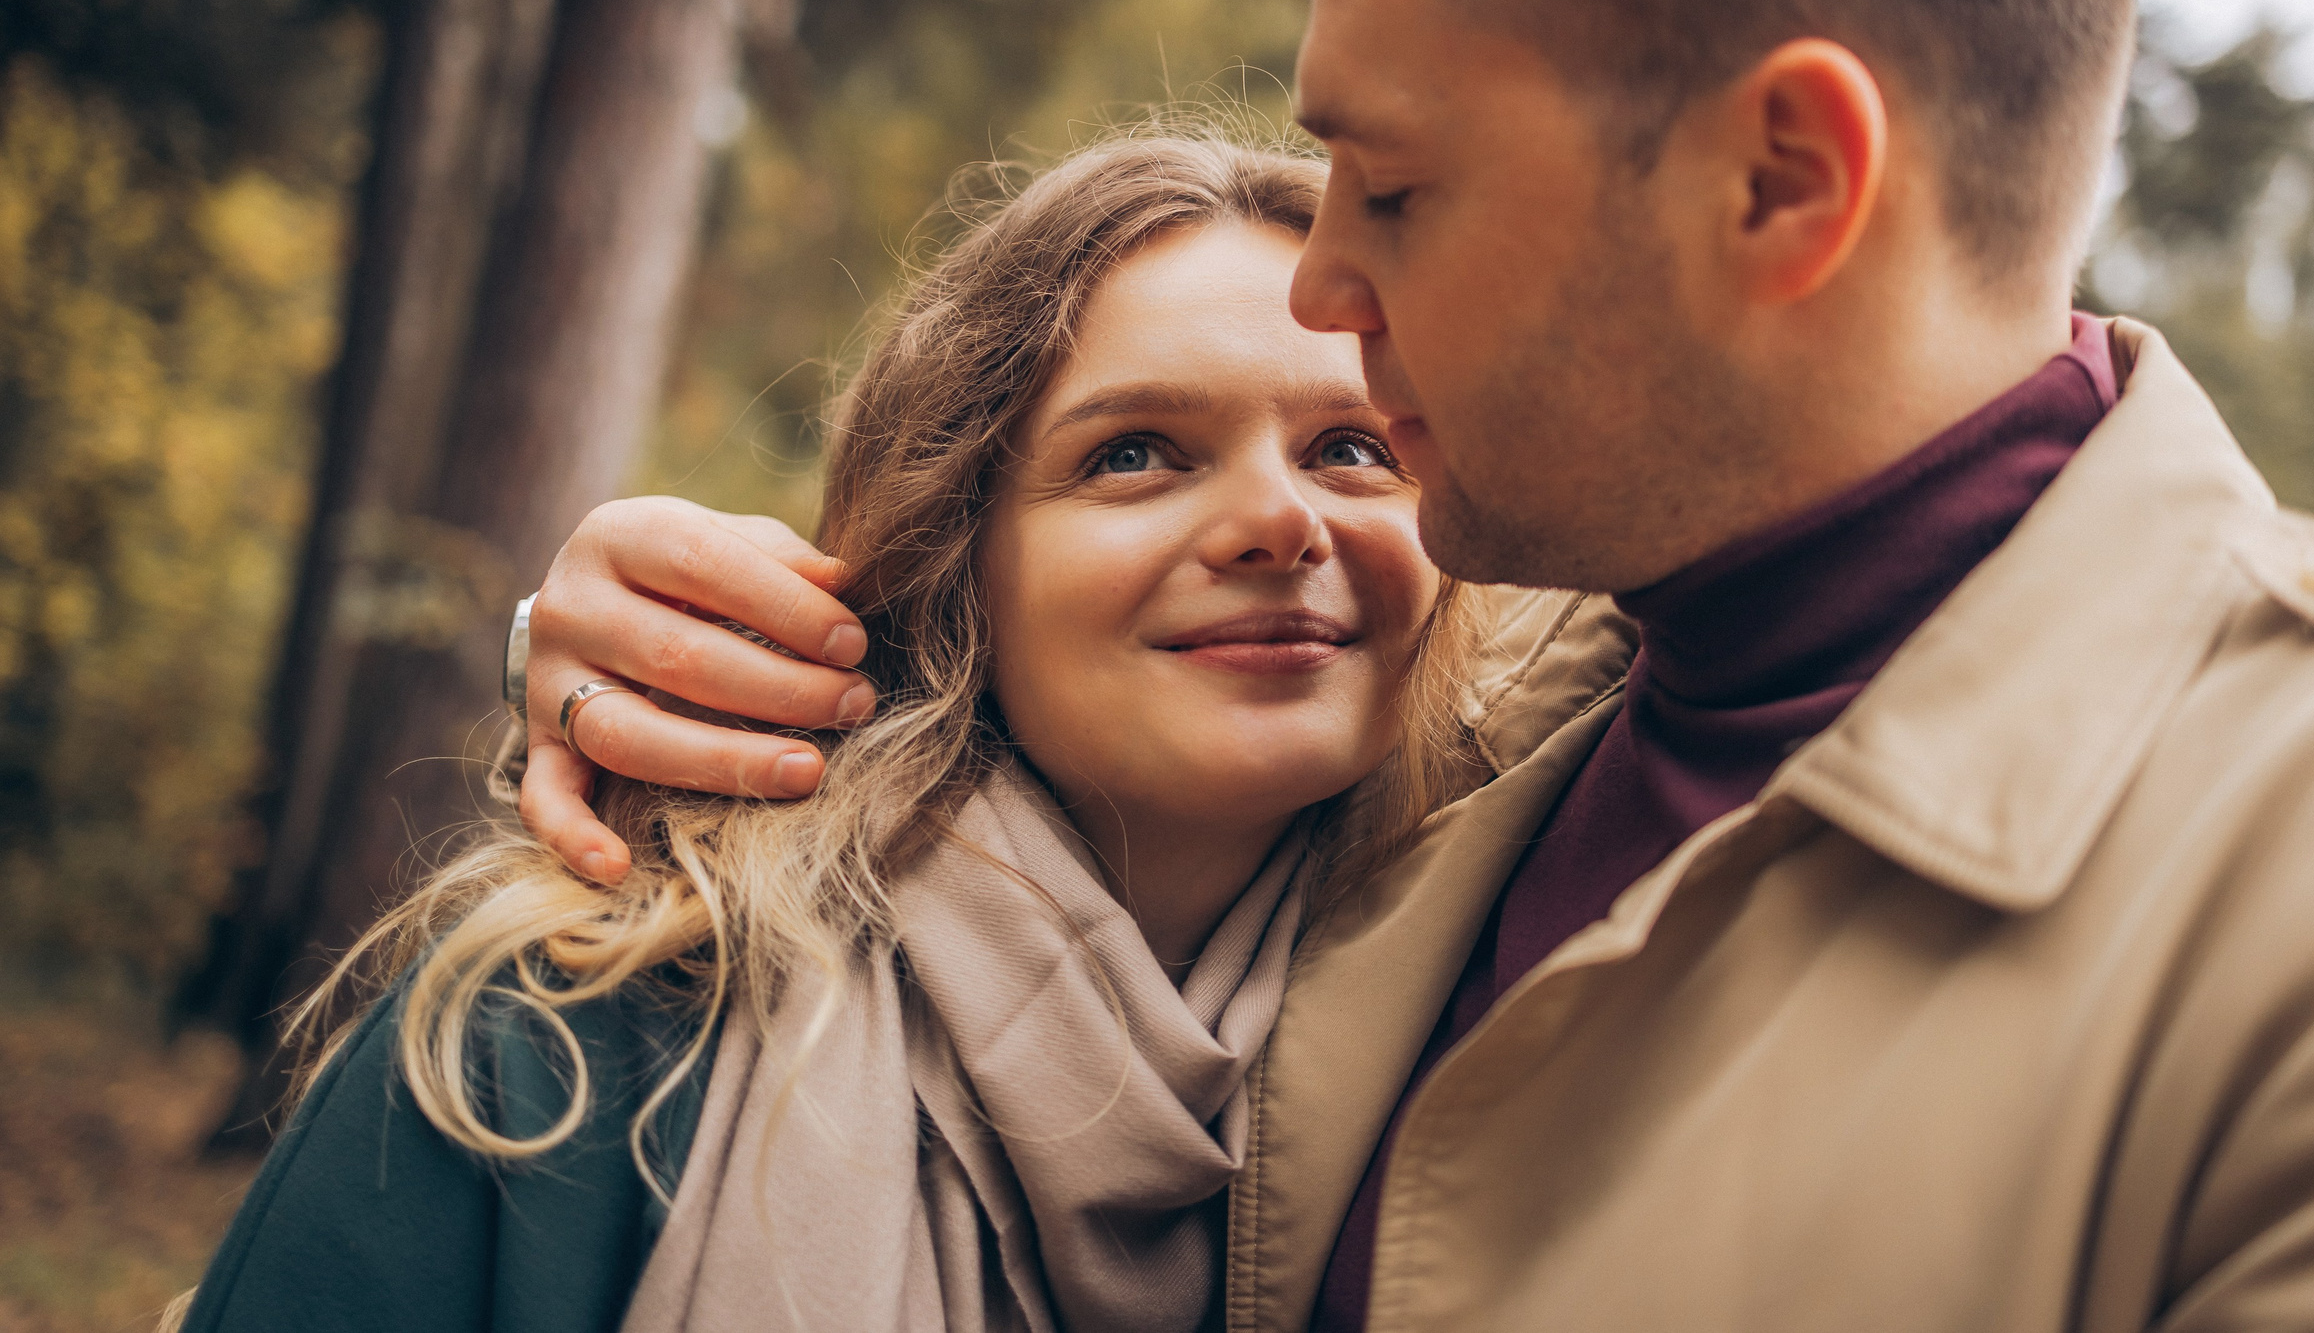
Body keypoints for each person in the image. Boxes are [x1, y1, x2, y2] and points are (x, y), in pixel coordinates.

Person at [518, 0, 2314, 1328]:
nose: (1323, 281)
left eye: (1391, 189)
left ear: (1781, 180)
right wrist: (677, 650)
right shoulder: (1452, 739)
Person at [178, 136, 1498, 1333]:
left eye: (1350, 449)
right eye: (1136, 453)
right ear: (958, 552)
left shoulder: (1523, 995)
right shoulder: (564, 1037)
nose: (1281, 521)